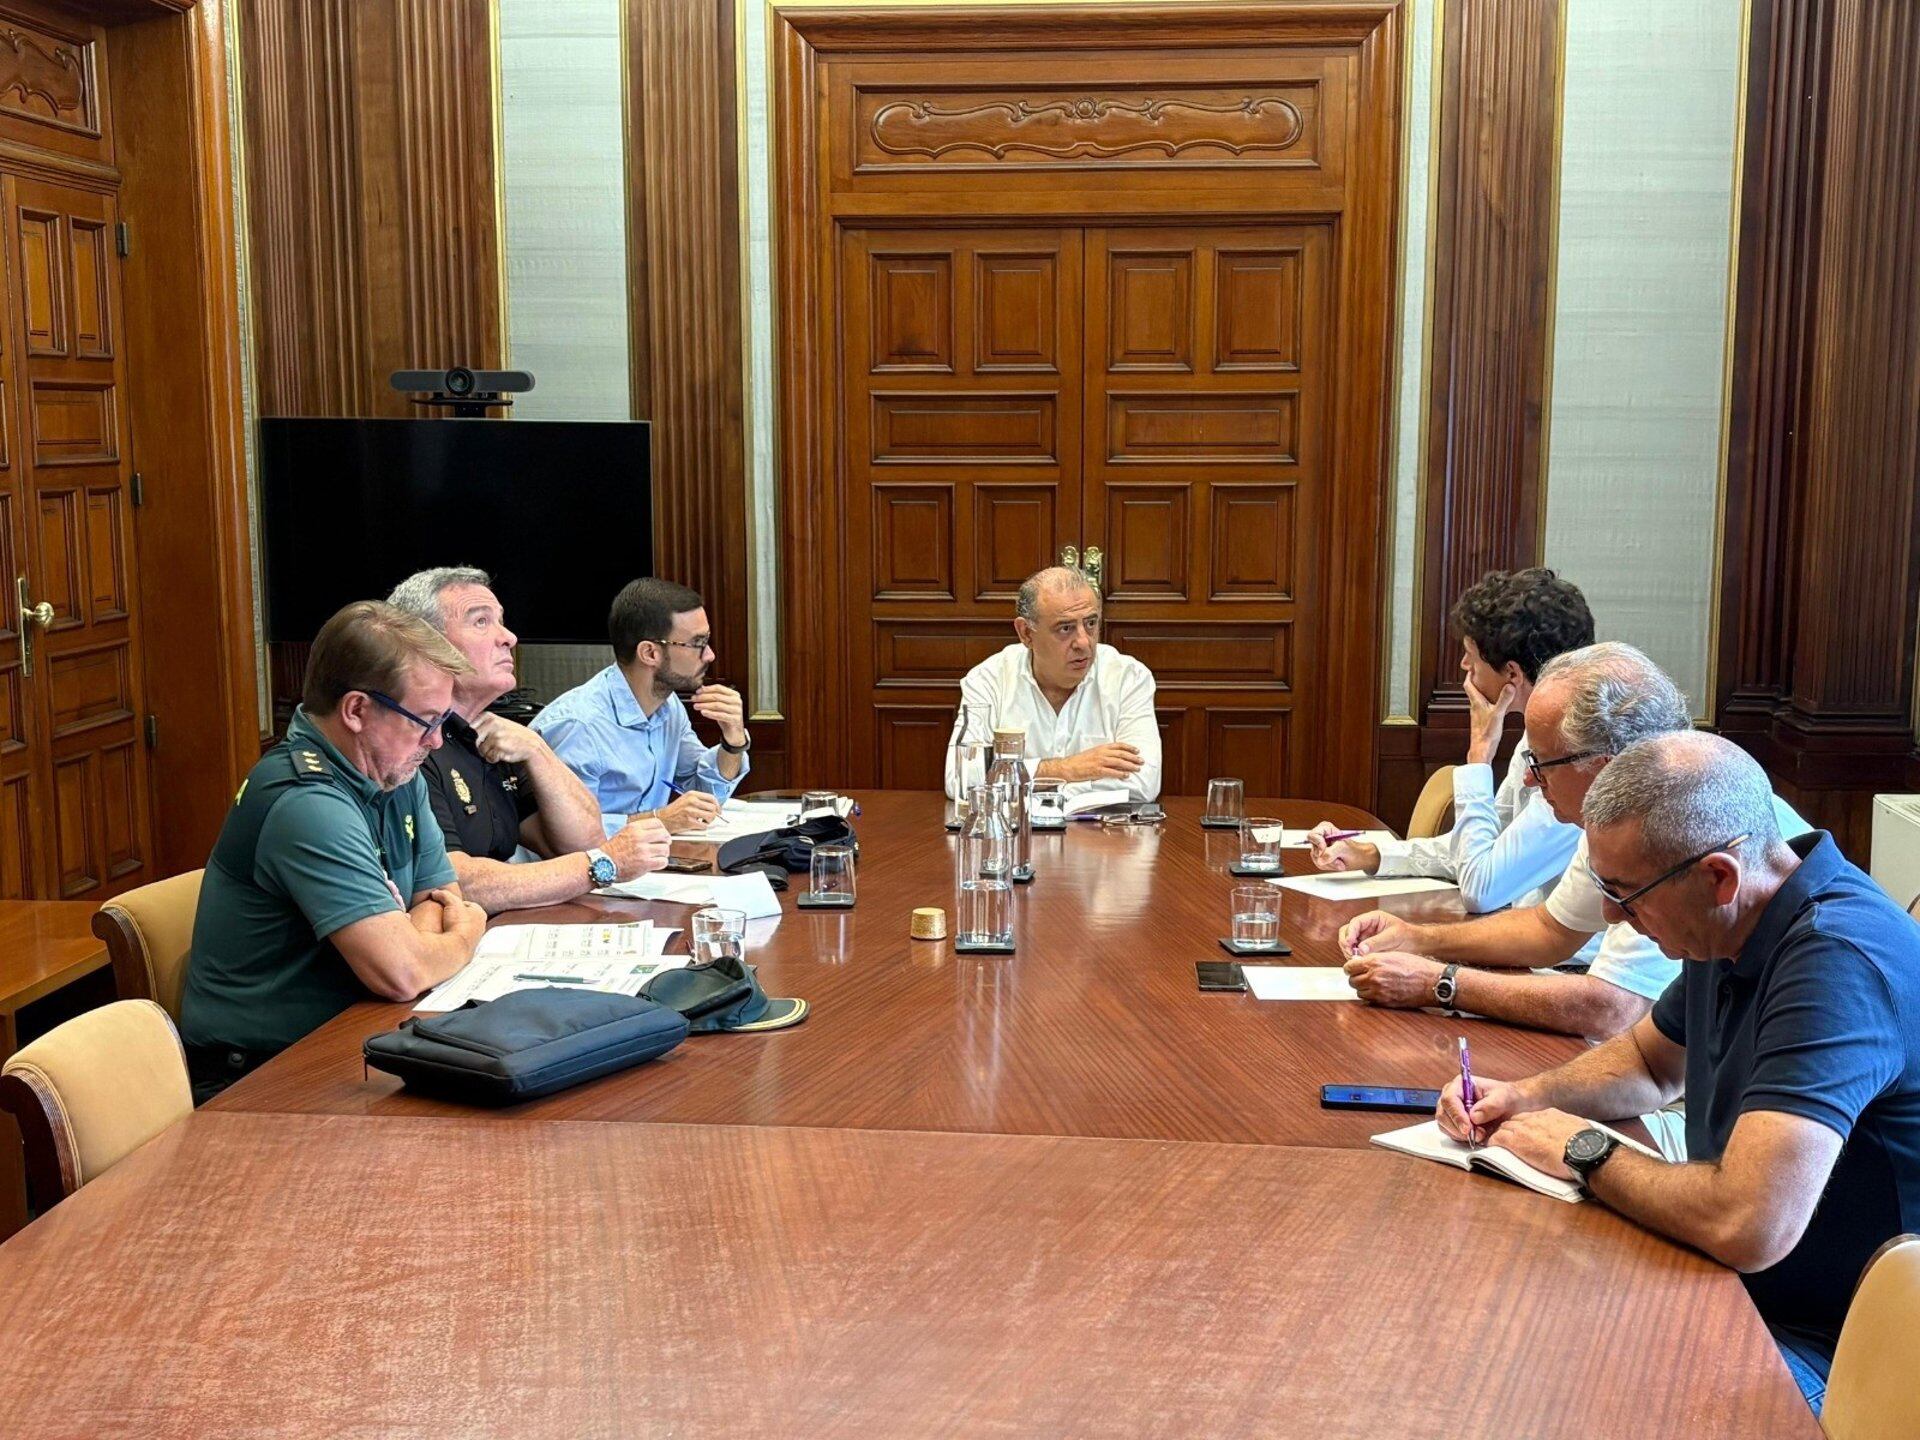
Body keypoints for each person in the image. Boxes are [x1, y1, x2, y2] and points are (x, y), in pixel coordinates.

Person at [1436, 732, 1920, 1414]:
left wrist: (1584, 1150)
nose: (1609, 915)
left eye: (1625, 895)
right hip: (1730, 1287)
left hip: (1840, 1352)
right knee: (1501, 1333)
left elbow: (1747, 1222)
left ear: (1718, 875)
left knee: (1559, 1396)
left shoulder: (1836, 963)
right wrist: (1522, 1098)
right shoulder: (1728, 916)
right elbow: (1650, 1062)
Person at [1339, 643, 1808, 1040]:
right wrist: (1419, 939)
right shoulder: (1618, 814)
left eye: (1541, 763)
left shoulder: (1676, 827)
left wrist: (1440, 984)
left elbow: (1612, 1008)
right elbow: (1551, 930)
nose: (1526, 776)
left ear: (1602, 766)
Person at [180, 601, 488, 1101]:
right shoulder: (305, 803)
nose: (435, 742)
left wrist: (411, 935)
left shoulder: (393, 769)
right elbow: (403, 971)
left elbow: (440, 896)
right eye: (424, 721)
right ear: (357, 710)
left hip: (356, 1032)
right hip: (260, 1078)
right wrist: (466, 934)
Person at [1307, 567, 1593, 915]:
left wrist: (1480, 755)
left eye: (1471, 656)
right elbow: (1480, 849)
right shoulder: (1536, 738)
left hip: (1568, 965)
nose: (1463, 665)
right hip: (1523, 942)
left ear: (1513, 674)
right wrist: (1373, 854)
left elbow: (1482, 888)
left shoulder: (1577, 763)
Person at [386, 567, 672, 913]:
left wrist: (538, 751)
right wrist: (602, 865)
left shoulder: (496, 734)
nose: (508, 637)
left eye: (501, 621)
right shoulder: (411, 743)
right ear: (426, 642)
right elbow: (455, 881)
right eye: (481, 622)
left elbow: (581, 842)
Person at [532, 578, 750, 832]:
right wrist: (660, 820)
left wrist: (733, 742)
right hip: (584, 868)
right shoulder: (579, 725)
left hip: (641, 863)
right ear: (649, 653)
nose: (710, 654)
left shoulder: (669, 708)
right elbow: (565, 834)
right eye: (698, 643)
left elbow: (703, 796)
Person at [944, 565, 1161, 800]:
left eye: (1090, 623)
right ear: (1026, 633)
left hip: (1103, 834)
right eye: (1065, 628)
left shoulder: (1129, 678)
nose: (1084, 642)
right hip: (1015, 834)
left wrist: (1023, 782)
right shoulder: (988, 680)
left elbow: (1143, 783)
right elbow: (961, 777)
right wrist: (1066, 768)